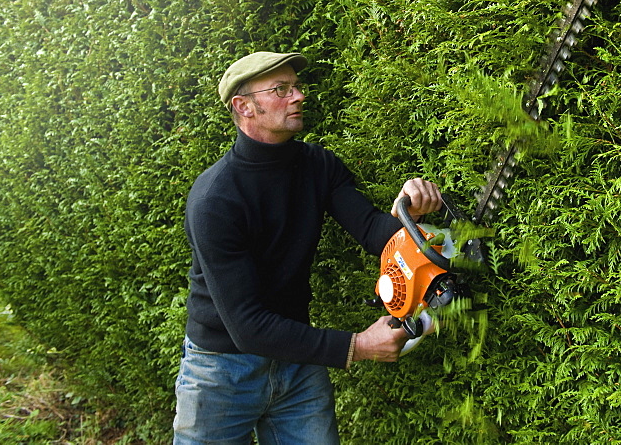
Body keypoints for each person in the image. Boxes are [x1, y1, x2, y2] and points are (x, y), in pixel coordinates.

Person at [174, 51, 442, 444]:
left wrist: (410, 221)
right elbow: (247, 327)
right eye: (281, 89)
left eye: (296, 86)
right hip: (220, 372)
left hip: (297, 361)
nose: (299, 96)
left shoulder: (317, 164)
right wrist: (358, 346)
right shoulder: (216, 200)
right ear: (243, 106)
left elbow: (370, 229)